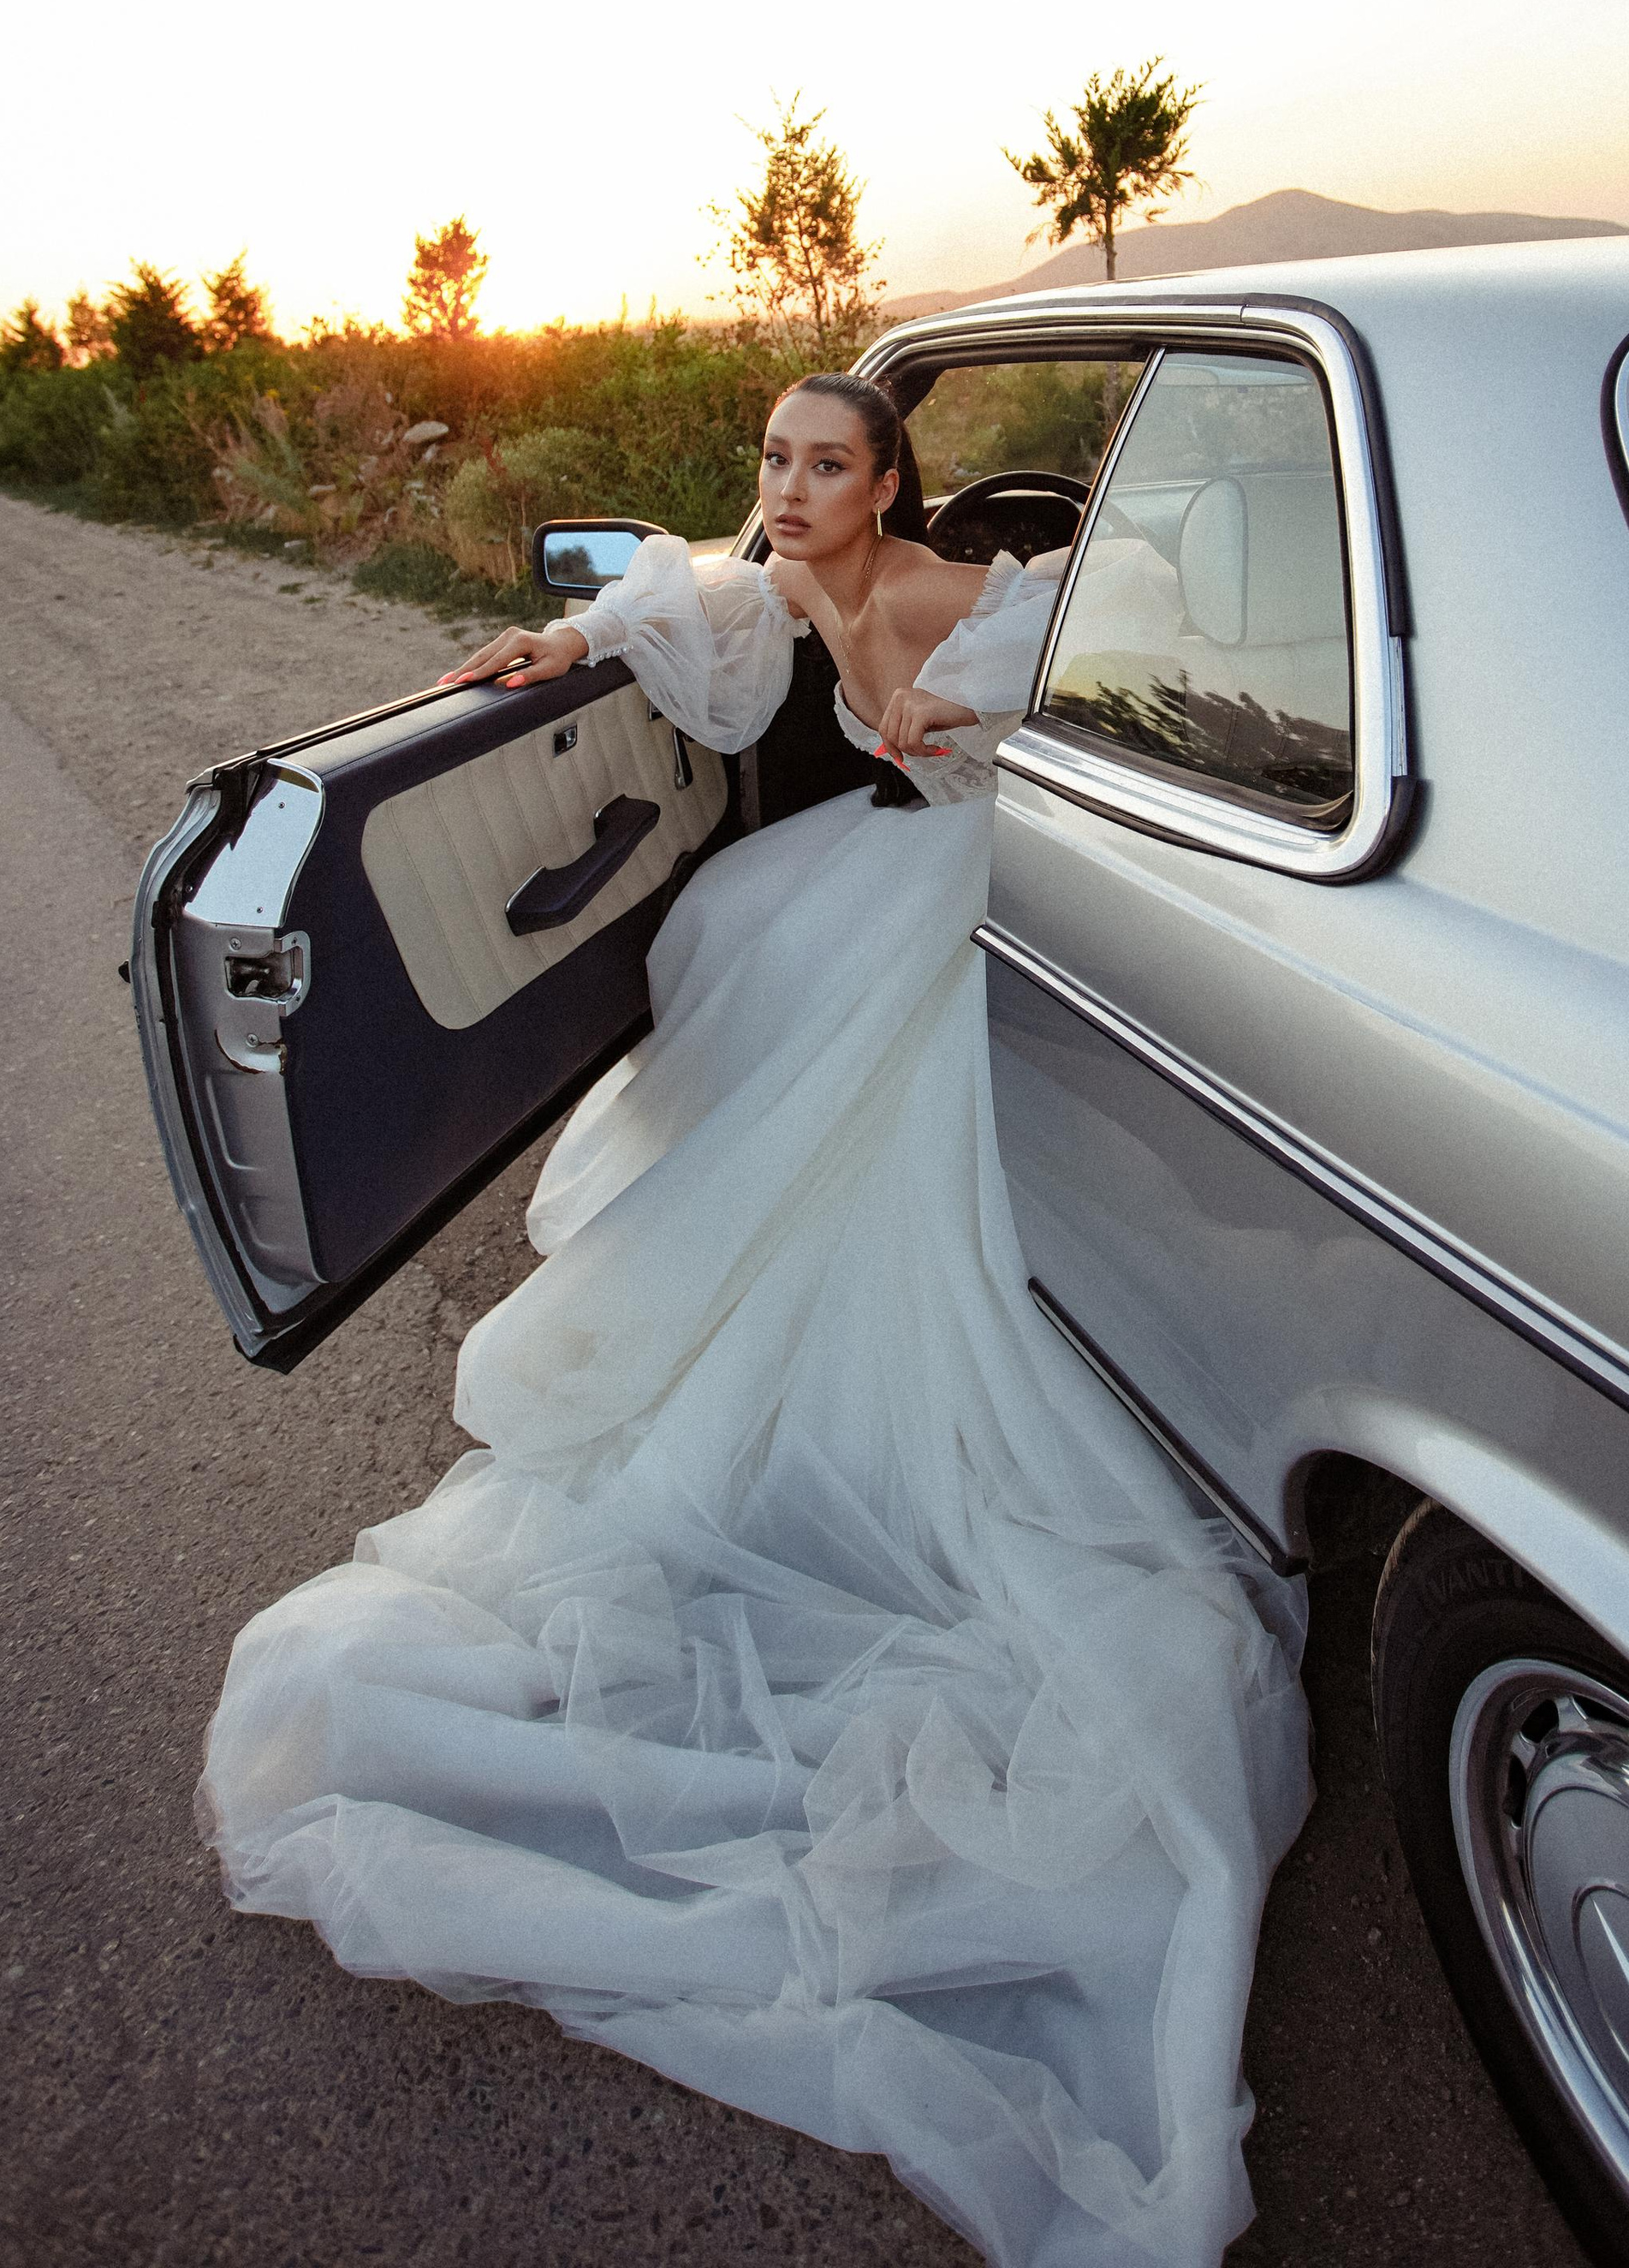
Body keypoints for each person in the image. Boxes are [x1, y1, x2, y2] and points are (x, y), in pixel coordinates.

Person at [197, 375, 1312, 2268]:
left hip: (990, 882)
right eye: (774, 466)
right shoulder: (774, 583)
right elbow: (670, 616)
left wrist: (993, 728)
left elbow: (1136, 695)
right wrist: (554, 636)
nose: (785, 497)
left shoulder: (979, 600)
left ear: (896, 488)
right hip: (888, 878)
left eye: (823, 469)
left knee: (795, 990)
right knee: (736, 939)